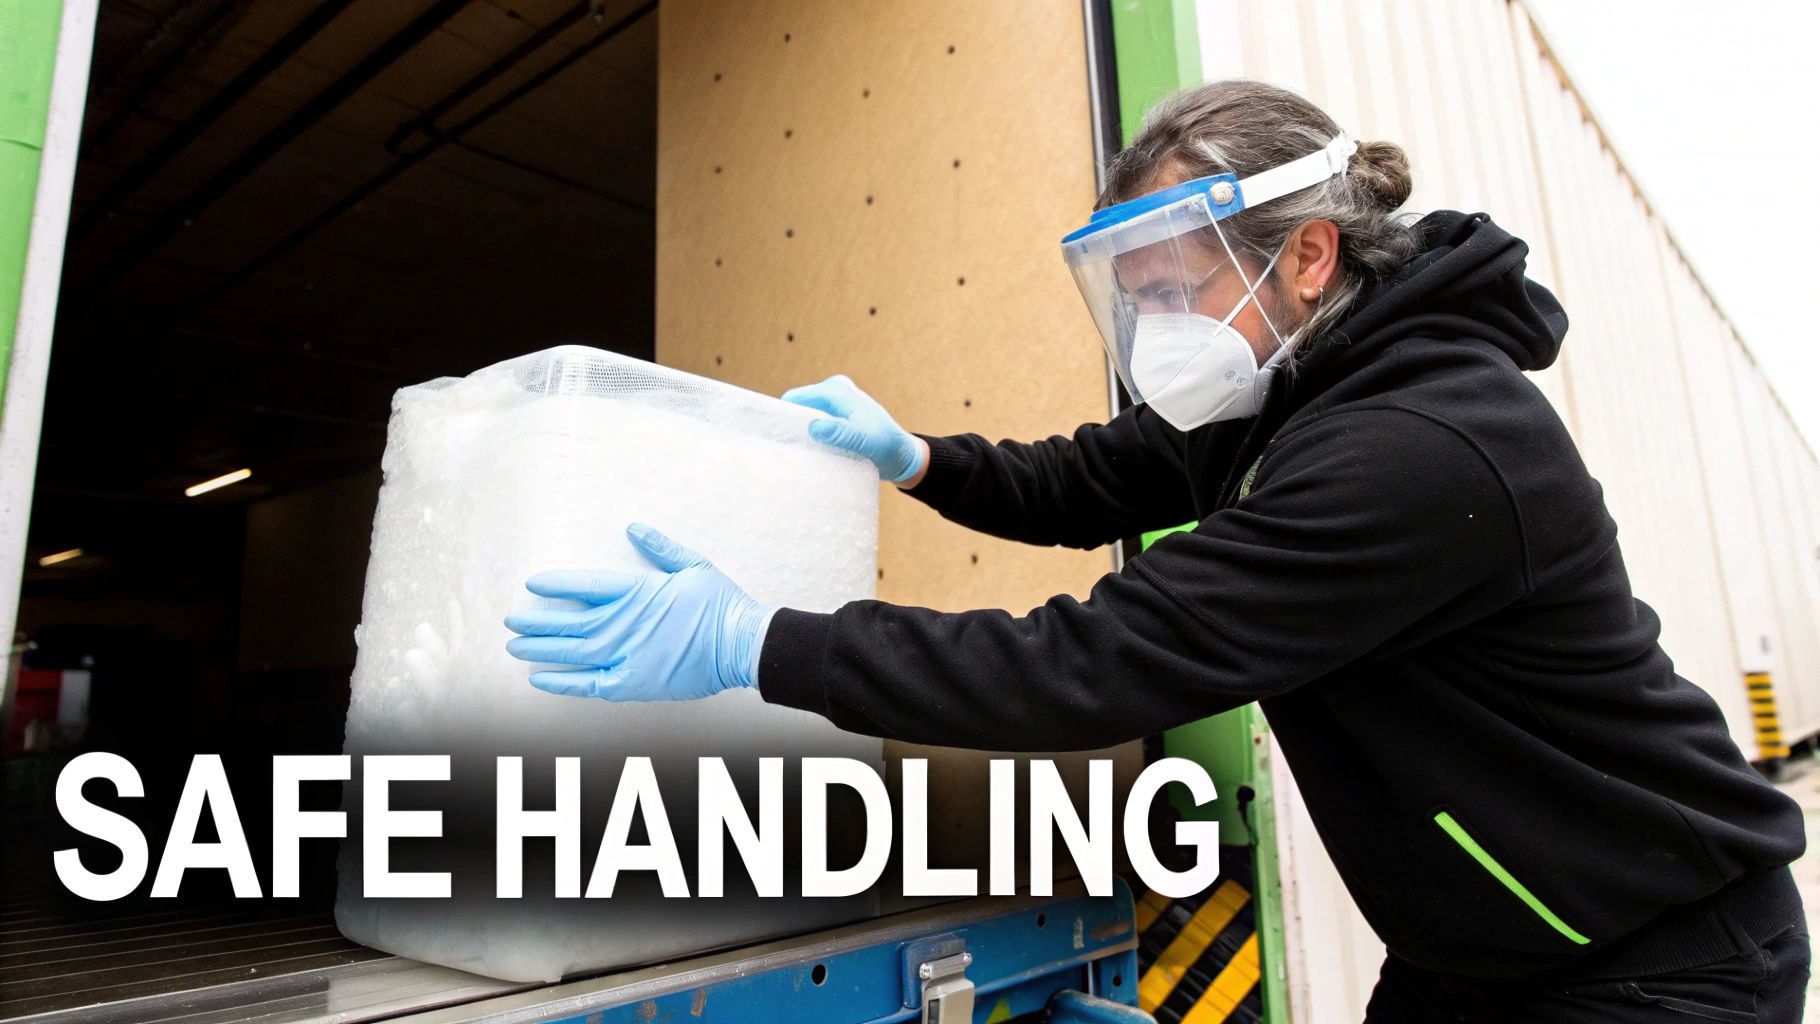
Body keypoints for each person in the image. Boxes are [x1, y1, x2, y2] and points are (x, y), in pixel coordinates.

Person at [503, 80, 1809, 1021]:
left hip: (1649, 963)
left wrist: (756, 644)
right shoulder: (1287, 394)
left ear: (1308, 256)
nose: (1157, 335)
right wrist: (921, 459)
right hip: (1491, 950)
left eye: (1176, 295)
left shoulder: (1414, 450)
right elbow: (1095, 474)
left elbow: (1101, 661)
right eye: (1137, 305)